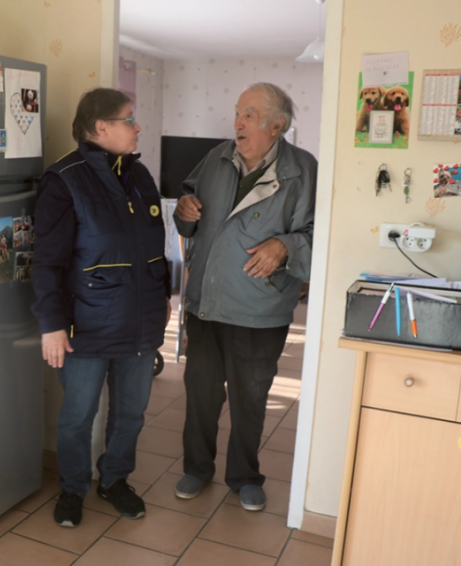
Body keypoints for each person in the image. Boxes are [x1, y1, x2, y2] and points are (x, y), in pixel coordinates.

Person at [32, 88, 171, 528]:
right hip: (85, 326)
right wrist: (51, 326)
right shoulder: (64, 179)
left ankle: (114, 480)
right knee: (78, 417)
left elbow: (153, 252)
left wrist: (162, 307)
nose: (138, 127)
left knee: (130, 412)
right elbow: (47, 262)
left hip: (141, 323)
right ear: (100, 128)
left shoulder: (141, 175)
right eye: (130, 119)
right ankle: (73, 488)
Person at [172, 83, 316, 511]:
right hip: (207, 300)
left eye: (250, 115)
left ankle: (244, 476)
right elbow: (189, 209)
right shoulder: (216, 158)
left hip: (260, 308)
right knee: (200, 393)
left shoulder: (304, 170)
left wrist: (287, 245)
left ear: (278, 125)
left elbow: (319, 234)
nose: (238, 122)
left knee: (249, 398)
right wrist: (183, 211)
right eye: (238, 113)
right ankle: (197, 468)